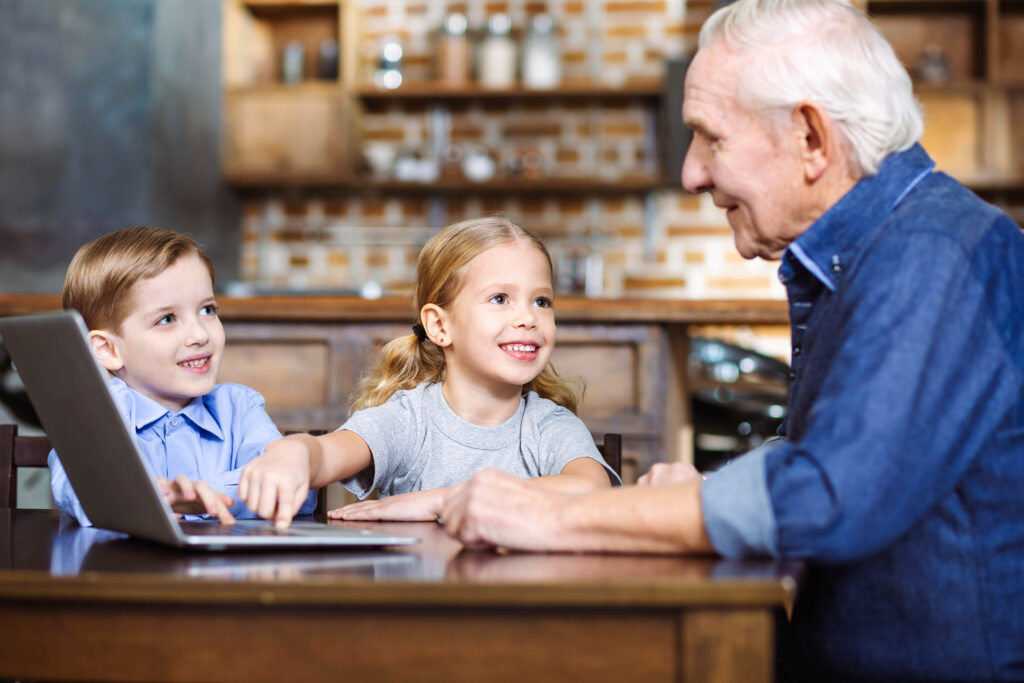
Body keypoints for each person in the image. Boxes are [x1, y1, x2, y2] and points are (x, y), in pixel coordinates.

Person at [438, 1, 1024, 680]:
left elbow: (827, 494)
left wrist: (550, 520)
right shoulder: (891, 245)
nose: (692, 173)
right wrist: (662, 499)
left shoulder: (931, 254)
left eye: (709, 138)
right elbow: (841, 461)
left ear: (810, 137)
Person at [237, 216, 619, 527]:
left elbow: (592, 491)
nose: (528, 318)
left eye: (542, 301)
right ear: (439, 326)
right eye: (500, 298)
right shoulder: (409, 421)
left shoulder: (549, 427)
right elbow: (325, 453)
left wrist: (442, 500)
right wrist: (293, 454)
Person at [48, 226, 317, 526]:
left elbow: (293, 487)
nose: (200, 335)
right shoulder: (97, 411)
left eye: (207, 310)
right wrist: (154, 500)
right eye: (166, 319)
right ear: (108, 349)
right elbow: (78, 487)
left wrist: (204, 498)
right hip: (123, 569)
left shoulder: (240, 408)